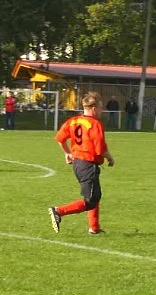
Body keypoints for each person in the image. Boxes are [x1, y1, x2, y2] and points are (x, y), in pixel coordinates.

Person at [48, 91, 115, 235]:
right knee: (91, 200)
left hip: (79, 163)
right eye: (101, 108)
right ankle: (58, 211)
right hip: (87, 164)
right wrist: (110, 158)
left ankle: (94, 228)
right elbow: (100, 149)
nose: (102, 111)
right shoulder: (95, 124)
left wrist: (67, 153)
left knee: (94, 195)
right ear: (94, 108)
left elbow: (60, 138)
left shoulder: (73, 121)